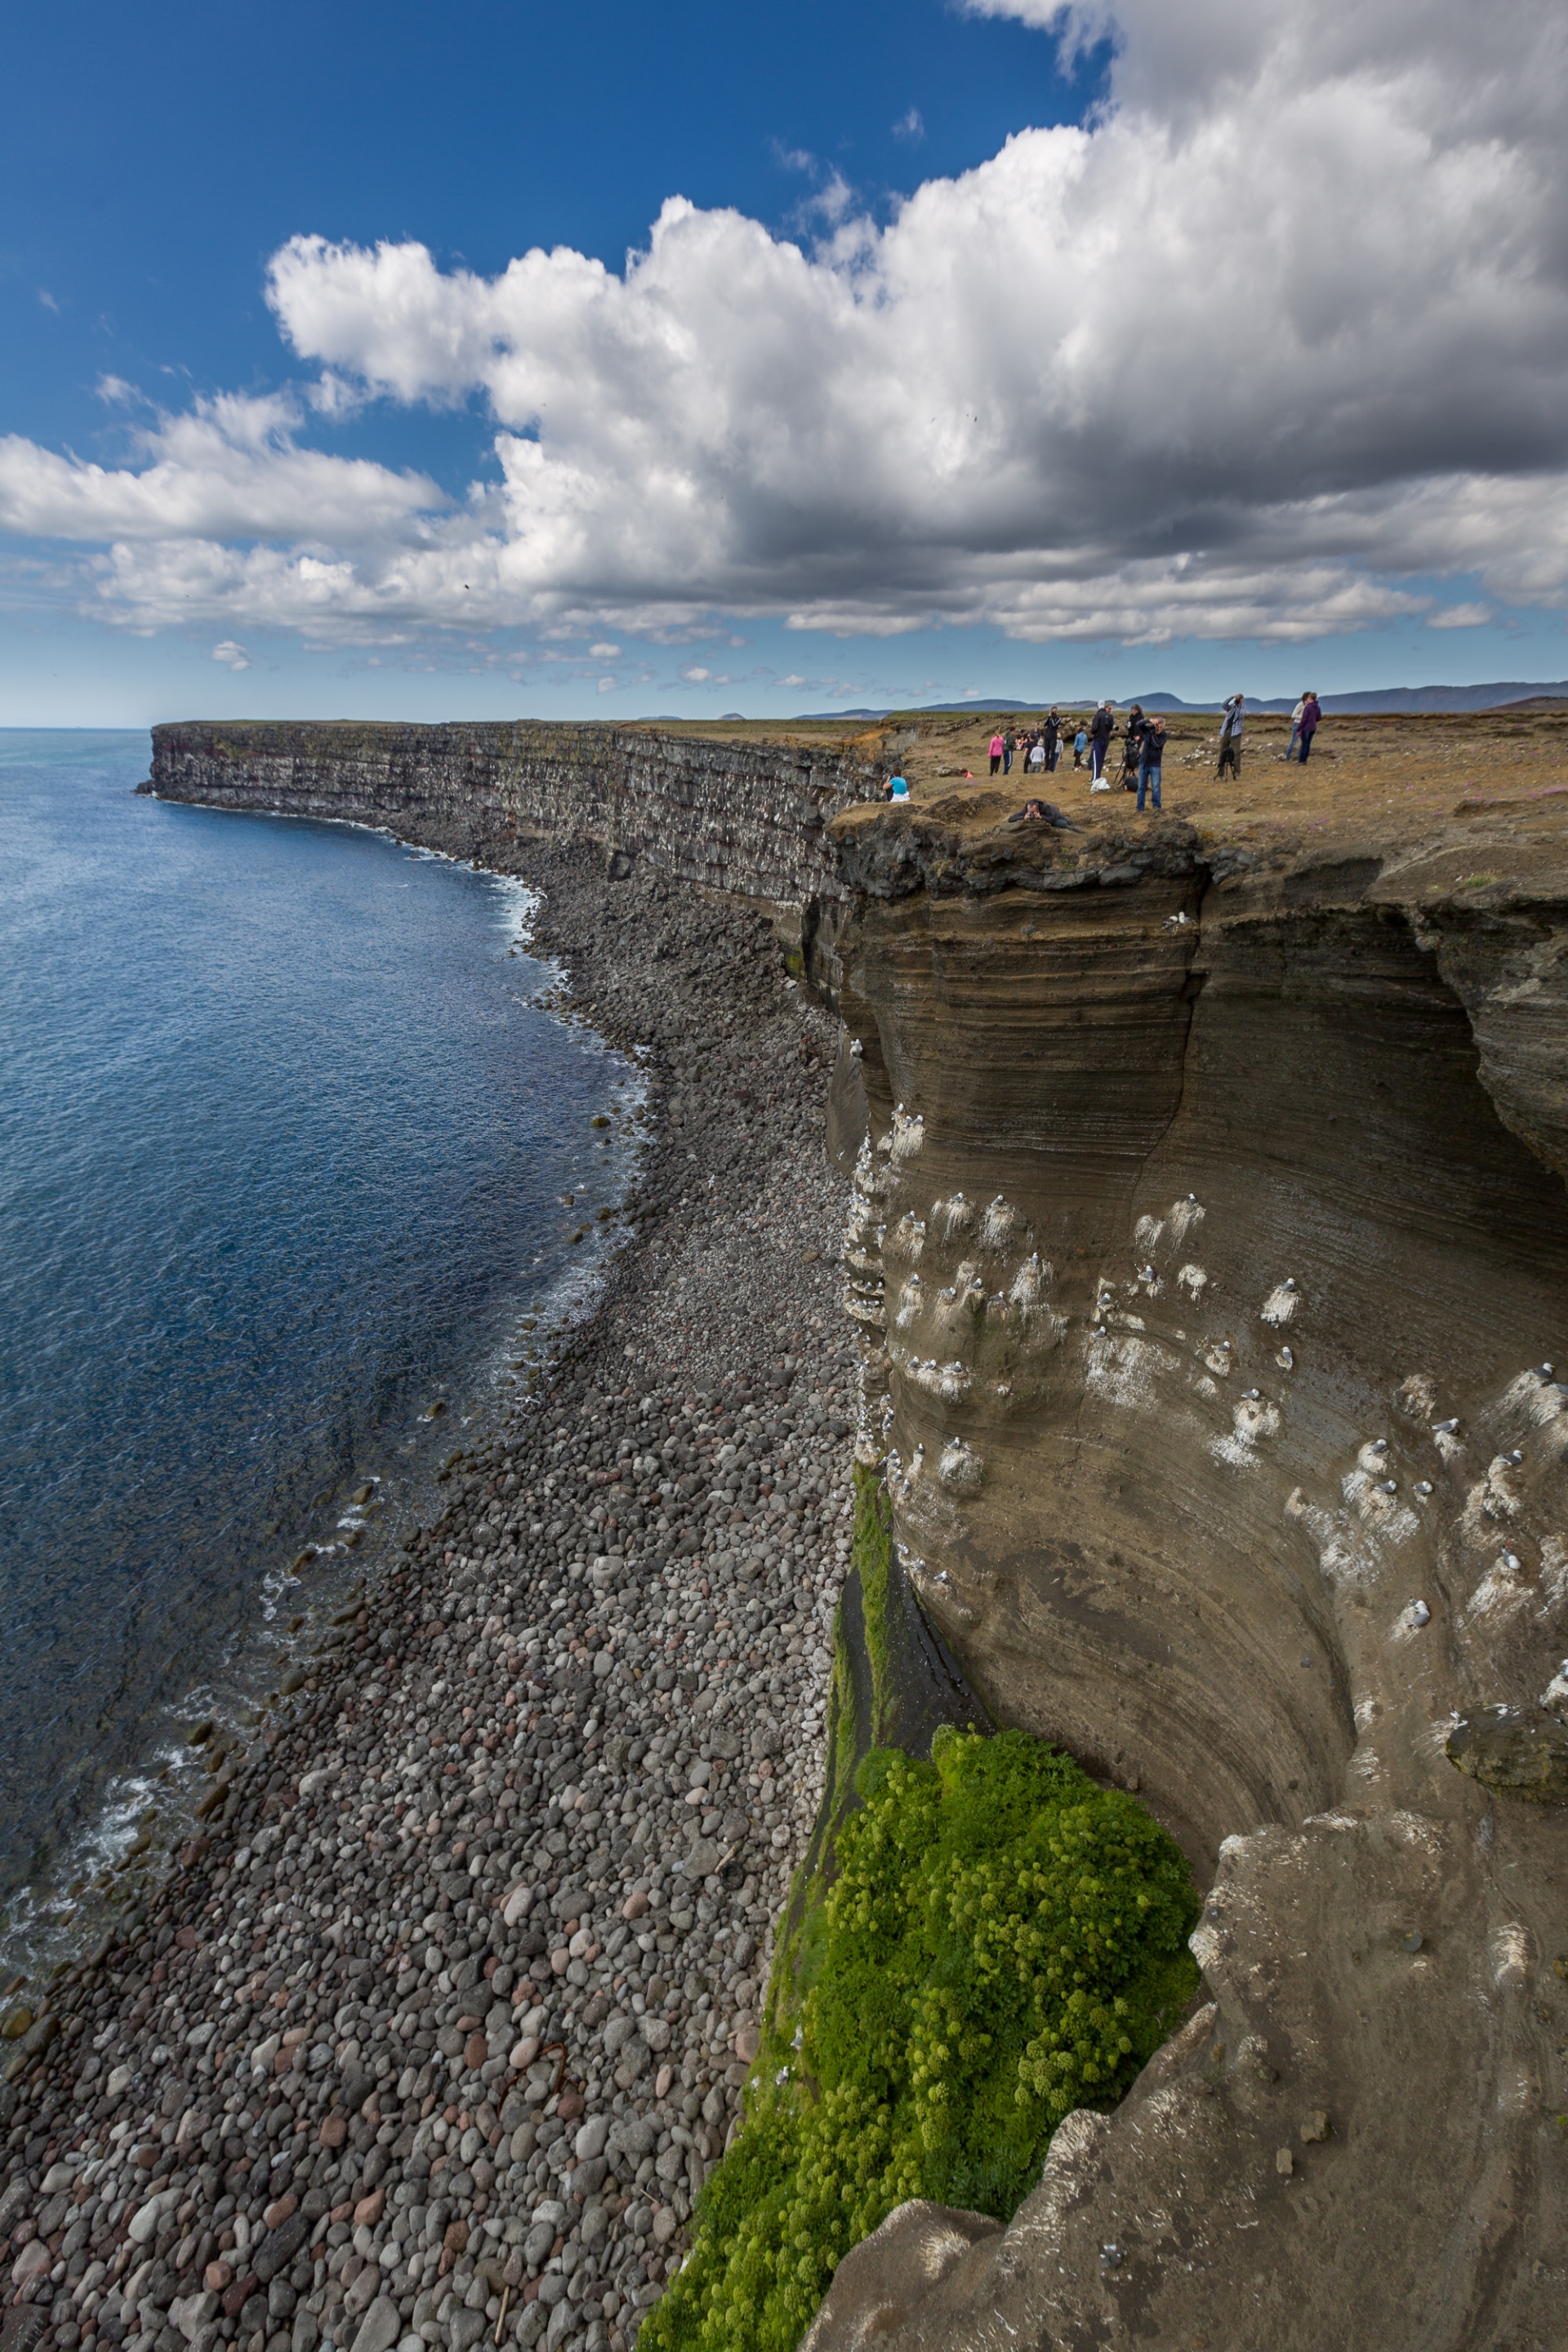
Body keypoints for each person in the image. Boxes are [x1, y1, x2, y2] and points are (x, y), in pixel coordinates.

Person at [1138, 714, 1167, 812]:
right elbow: (1138, 724)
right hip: (1144, 762)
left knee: (1156, 787)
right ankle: (1140, 807)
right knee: (1141, 787)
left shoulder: (1164, 735)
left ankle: (1157, 807)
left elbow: (1157, 744)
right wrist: (1149, 720)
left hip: (1155, 764)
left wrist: (1155, 733)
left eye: (1161, 726)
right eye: (1158, 725)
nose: (1159, 728)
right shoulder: (1148, 731)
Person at [1217, 693, 1245, 781]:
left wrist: (1238, 705)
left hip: (1235, 733)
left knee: (1236, 752)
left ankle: (1237, 771)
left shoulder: (1242, 709)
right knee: (1222, 752)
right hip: (1226, 732)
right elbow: (1223, 704)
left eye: (1239, 699)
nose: (1237, 700)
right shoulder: (1231, 708)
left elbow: (1240, 715)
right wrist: (1232, 697)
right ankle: (1220, 772)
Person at [1089, 701, 1115, 787]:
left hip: (1098, 739)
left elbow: (1094, 728)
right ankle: (1098, 777)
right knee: (1101, 759)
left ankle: (1095, 779)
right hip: (1106, 740)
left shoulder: (1097, 715)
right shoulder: (1110, 716)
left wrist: (1094, 732)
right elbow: (1111, 727)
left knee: (1096, 760)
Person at [1297, 692, 1321, 762]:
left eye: (1308, 698)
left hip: (1306, 728)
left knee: (1304, 744)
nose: (1307, 699)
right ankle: (1305, 760)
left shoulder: (1308, 707)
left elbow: (1304, 719)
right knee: (1308, 744)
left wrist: (1299, 728)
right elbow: (1319, 717)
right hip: (1313, 728)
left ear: (1310, 698)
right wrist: (1313, 720)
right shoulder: (1317, 707)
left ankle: (1302, 761)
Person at [1285, 694, 1306, 761]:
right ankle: (1287, 758)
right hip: (1297, 724)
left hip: (1304, 725)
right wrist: (1303, 718)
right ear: (1305, 698)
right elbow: (1293, 715)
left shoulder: (1308, 706)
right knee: (1294, 742)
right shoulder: (1300, 705)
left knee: (1304, 742)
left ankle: (1300, 758)